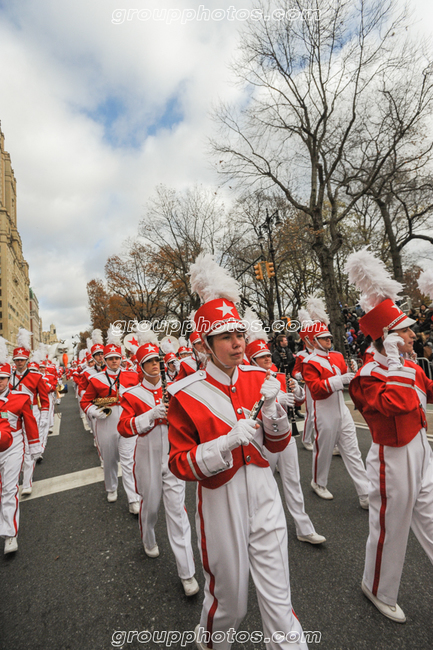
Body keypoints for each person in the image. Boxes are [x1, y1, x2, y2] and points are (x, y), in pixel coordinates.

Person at [168, 254, 307, 650]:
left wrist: (276, 412)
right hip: (219, 498)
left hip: (264, 490)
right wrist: (225, 443)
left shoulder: (261, 377)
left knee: (279, 600)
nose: (237, 343)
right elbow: (179, 463)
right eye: (226, 337)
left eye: (239, 334)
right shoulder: (185, 394)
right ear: (205, 345)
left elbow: (277, 444)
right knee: (230, 602)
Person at [346, 250, 433, 624]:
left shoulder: (411, 366)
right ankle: (377, 587)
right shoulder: (367, 376)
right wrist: (396, 363)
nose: (414, 334)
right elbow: (396, 403)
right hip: (391, 459)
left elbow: (429, 393)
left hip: (421, 450)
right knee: (390, 530)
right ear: (388, 338)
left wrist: (403, 363)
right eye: (405, 331)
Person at [118, 331, 199, 597]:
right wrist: (150, 415)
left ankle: (187, 572)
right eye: (149, 361)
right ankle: (148, 536)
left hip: (172, 454)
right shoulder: (132, 394)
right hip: (147, 455)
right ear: (140, 366)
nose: (155, 365)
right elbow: (124, 427)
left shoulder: (173, 388)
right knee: (151, 505)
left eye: (157, 360)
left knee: (177, 511)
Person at [243, 308, 326, 546]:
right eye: (262, 357)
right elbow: (249, 409)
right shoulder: (247, 381)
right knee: (262, 484)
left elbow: (298, 400)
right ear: (252, 360)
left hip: (286, 434)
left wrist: (297, 390)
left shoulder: (280, 376)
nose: (268, 359)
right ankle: (255, 526)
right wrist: (275, 400)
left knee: (293, 480)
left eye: (267, 355)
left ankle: (304, 527)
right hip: (263, 440)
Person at [302, 295, 369, 507]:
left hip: (342, 409)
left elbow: (344, 376)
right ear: (314, 341)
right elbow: (315, 389)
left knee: (353, 451)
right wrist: (340, 380)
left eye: (329, 337)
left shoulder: (337, 356)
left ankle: (366, 494)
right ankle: (318, 482)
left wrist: (351, 372)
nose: (329, 340)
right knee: (323, 452)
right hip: (324, 411)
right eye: (324, 338)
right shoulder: (309, 362)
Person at [81, 325, 140, 512]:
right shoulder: (96, 379)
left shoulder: (132, 376)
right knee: (109, 459)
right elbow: (85, 401)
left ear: (121, 358)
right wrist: (94, 411)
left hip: (127, 421)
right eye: (110, 358)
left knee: (129, 460)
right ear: (105, 360)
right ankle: (111, 487)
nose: (114, 361)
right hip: (106, 422)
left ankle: (133, 498)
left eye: (117, 358)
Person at [0, 337, 41, 554]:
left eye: (2, 378)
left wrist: (34, 447)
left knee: (9, 490)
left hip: (13, 447)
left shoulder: (21, 398)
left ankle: (10, 534)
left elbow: (30, 424)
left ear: (8, 378)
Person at [10, 331, 50, 496]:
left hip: (31, 415)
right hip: (13, 416)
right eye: (17, 360)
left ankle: (27, 483)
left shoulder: (36, 376)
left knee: (28, 450)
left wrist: (44, 417)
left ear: (27, 360)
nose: (19, 362)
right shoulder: (8, 378)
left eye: (22, 360)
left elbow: (45, 399)